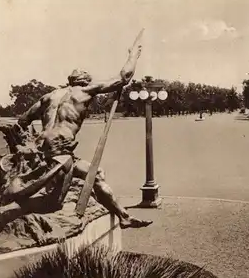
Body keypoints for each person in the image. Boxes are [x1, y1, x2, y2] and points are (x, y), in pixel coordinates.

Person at [11, 44, 151, 229]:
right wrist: (133, 56)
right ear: (84, 81)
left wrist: (28, 144)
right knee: (59, 199)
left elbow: (22, 121)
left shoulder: (49, 96)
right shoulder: (85, 91)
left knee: (95, 174)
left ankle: (123, 217)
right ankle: (20, 211)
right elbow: (123, 78)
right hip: (60, 152)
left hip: (42, 150)